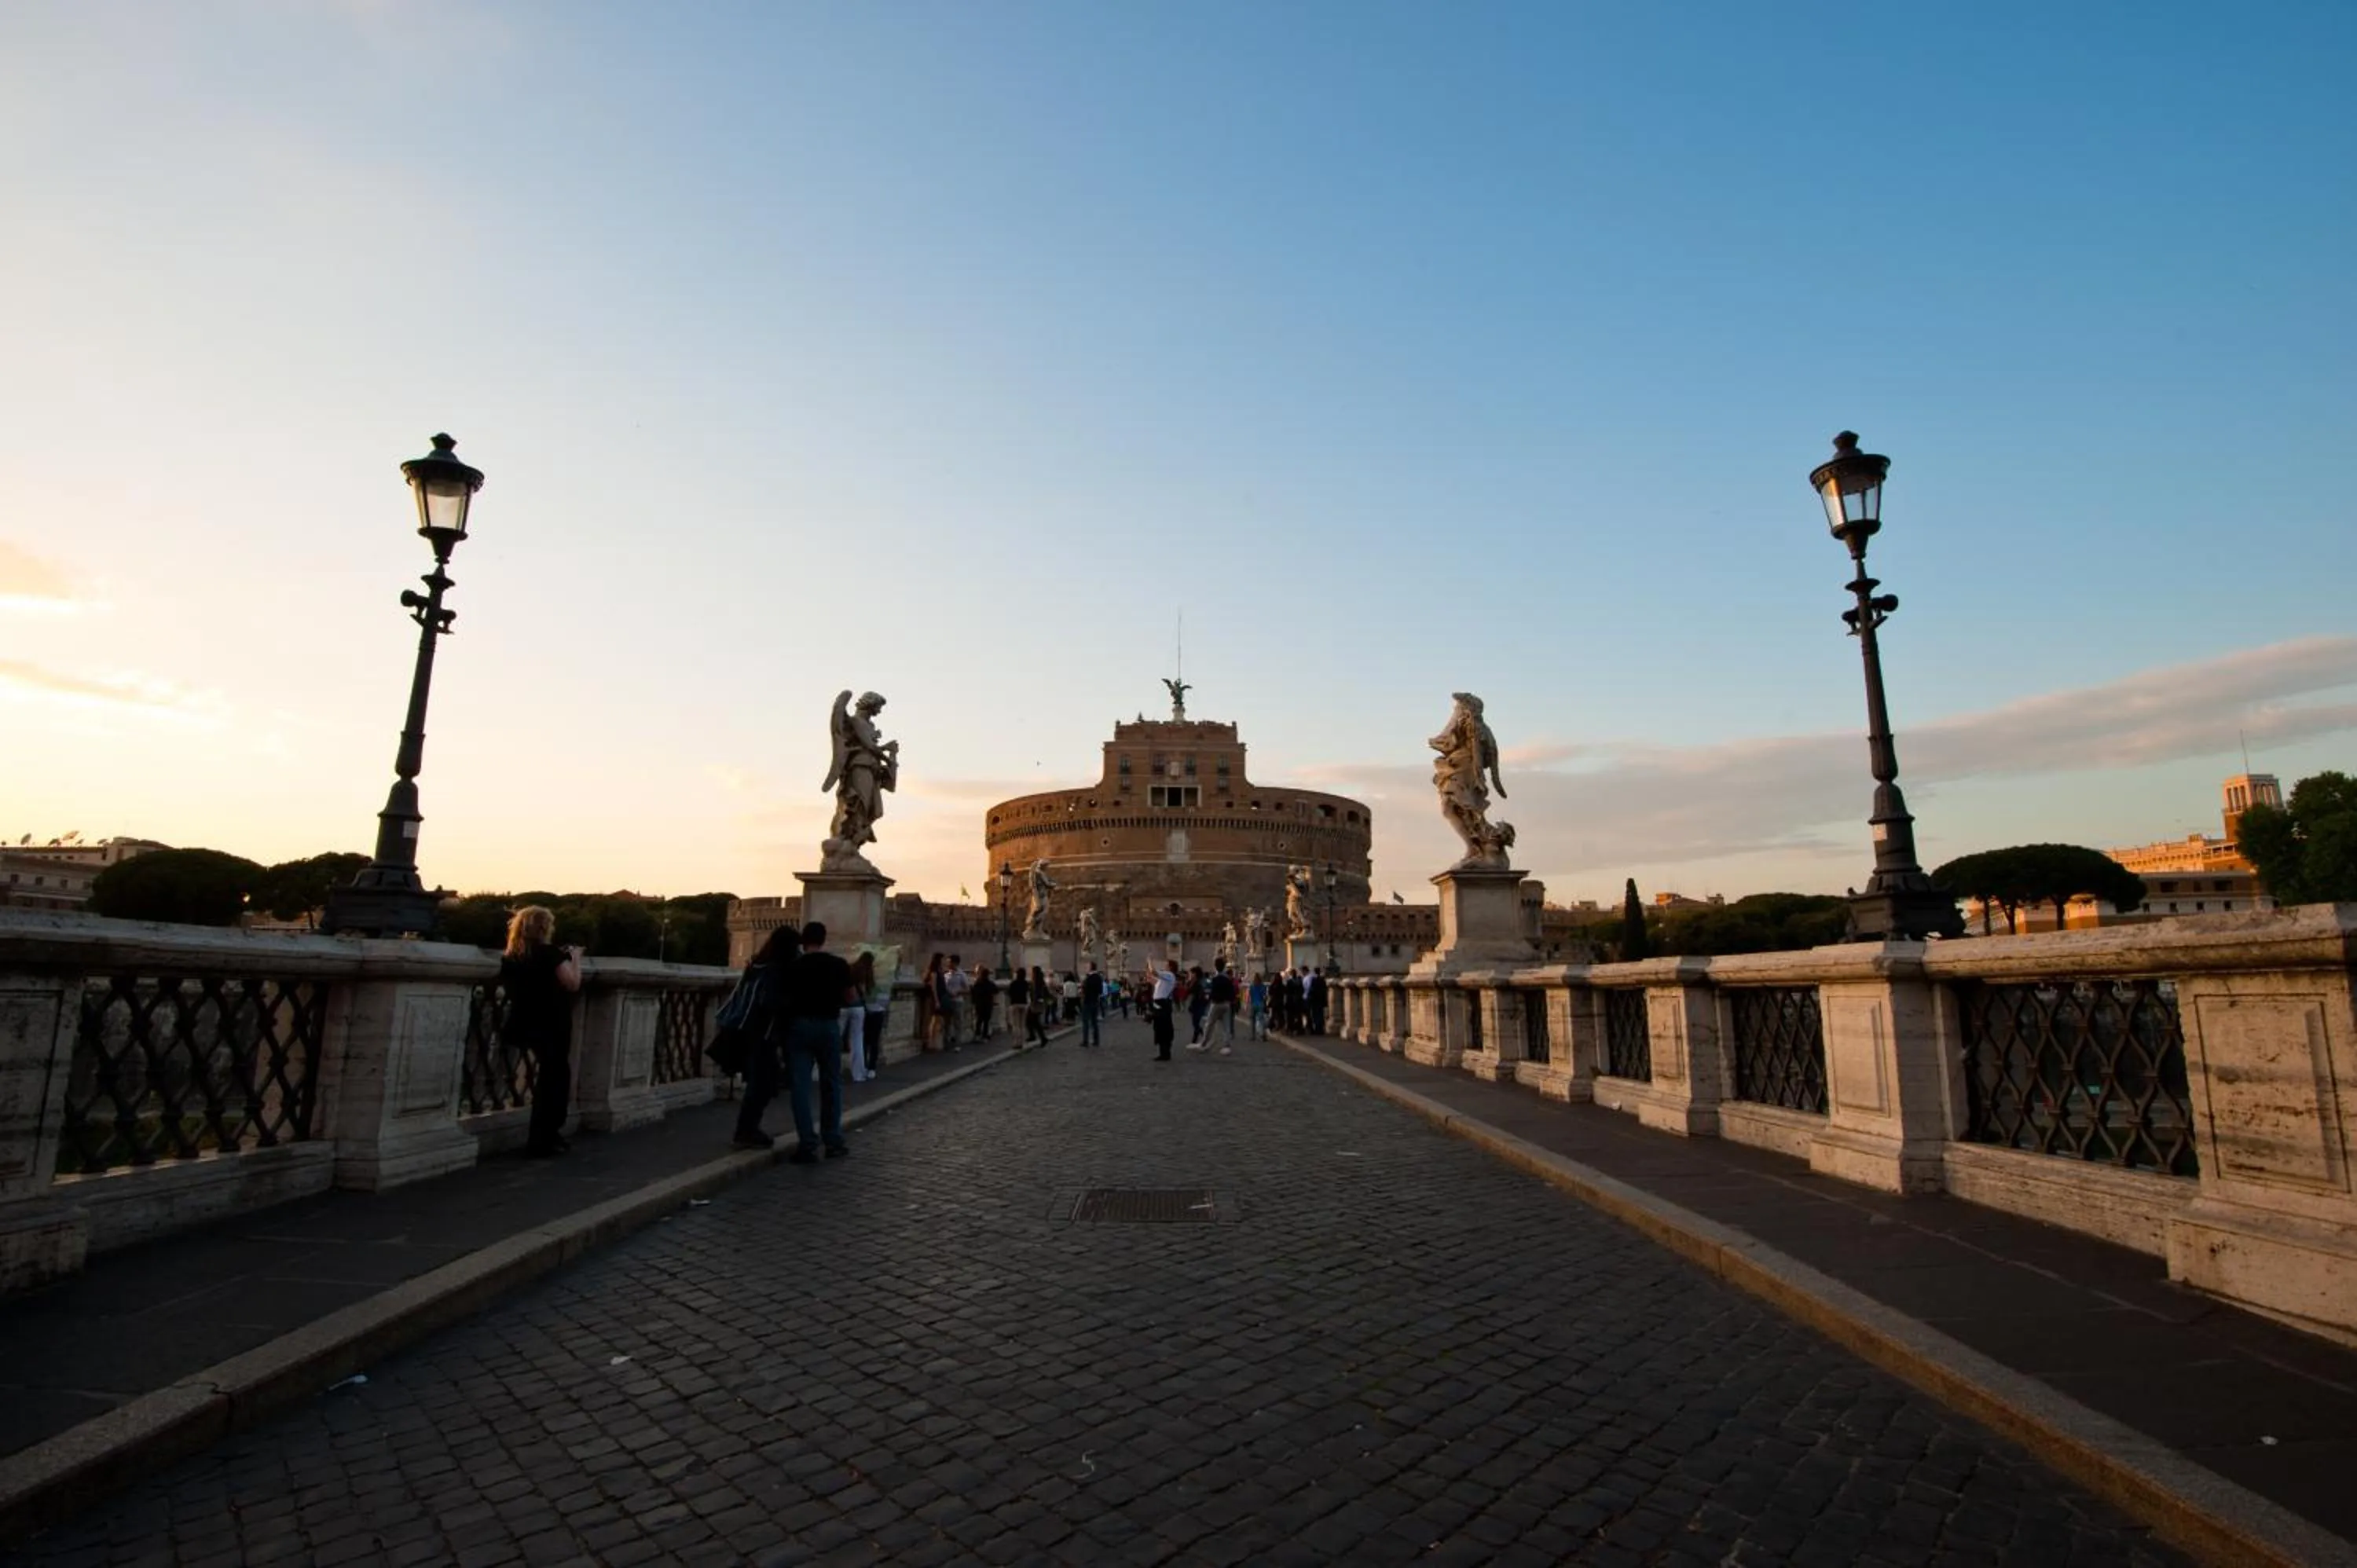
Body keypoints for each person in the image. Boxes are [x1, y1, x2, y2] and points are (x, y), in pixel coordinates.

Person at [500, 906, 582, 1157]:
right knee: (555, 1077)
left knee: (544, 1076)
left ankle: (541, 1135)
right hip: (552, 1021)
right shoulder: (548, 954)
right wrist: (575, 958)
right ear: (545, 928)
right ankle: (546, 1136)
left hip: (524, 1021)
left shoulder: (511, 956)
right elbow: (572, 983)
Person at [779, 921, 853, 1163]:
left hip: (799, 1027)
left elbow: (783, 999)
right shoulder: (838, 965)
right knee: (831, 1084)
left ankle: (807, 1144)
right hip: (829, 1026)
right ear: (824, 939)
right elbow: (851, 997)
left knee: (800, 1088)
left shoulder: (792, 966)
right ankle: (832, 1141)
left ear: (804, 940)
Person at [731, 925, 800, 1149]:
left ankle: (748, 1128)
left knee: (762, 1081)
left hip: (749, 1029)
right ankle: (746, 1130)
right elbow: (771, 1001)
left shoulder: (756, 965)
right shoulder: (776, 969)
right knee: (763, 1083)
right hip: (766, 1032)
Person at [842, 951, 876, 1084]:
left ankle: (822, 1071)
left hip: (843, 1005)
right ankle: (858, 1074)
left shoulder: (851, 968)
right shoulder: (867, 973)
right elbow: (869, 990)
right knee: (857, 1041)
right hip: (858, 1007)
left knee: (835, 1038)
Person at [862, 958, 893, 1078]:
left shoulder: (868, 980)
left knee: (867, 1041)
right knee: (872, 1041)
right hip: (876, 1012)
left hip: (869, 1011)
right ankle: (870, 1067)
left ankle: (867, 1066)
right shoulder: (881, 982)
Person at [1205, 958, 1238, 1054]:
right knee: (1226, 1026)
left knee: (1210, 1024)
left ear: (1215, 966)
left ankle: (1205, 1042)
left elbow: (1213, 992)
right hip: (1226, 1004)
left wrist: (1209, 997)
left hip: (1216, 1003)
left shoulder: (1215, 979)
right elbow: (1232, 993)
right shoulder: (1228, 979)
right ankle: (1226, 1045)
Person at [1149, 960, 1179, 1061]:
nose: (1164, 967)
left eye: (1166, 965)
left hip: (1163, 1005)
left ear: (1170, 967)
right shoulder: (1165, 978)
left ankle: (1166, 1053)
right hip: (1159, 1004)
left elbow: (1154, 972)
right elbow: (1155, 980)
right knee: (1159, 1029)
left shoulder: (1169, 975)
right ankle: (1163, 1052)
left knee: (1163, 1029)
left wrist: (1150, 961)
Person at [942, 955, 972, 1046]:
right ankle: (947, 1041)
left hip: (957, 1001)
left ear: (955, 963)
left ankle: (958, 1043)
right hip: (947, 1001)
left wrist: (958, 992)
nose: (947, 964)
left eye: (949, 962)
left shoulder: (961, 975)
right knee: (947, 1022)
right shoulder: (946, 975)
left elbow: (967, 989)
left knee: (958, 1023)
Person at [916, 952, 943, 1051]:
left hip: (931, 998)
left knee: (934, 1021)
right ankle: (928, 1043)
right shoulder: (934, 972)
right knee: (931, 1021)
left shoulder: (933, 971)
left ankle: (930, 1042)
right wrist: (936, 1001)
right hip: (931, 998)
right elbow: (934, 987)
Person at [1003, 965, 1031, 1049]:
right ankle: (1022, 1042)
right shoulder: (1026, 983)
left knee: (1016, 1025)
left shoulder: (1013, 983)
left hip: (1015, 1004)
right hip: (1024, 1004)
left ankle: (1016, 1042)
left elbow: (1009, 993)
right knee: (1022, 1025)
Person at [1185, 965, 1211, 1048]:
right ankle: (1199, 1040)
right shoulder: (1194, 981)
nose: (1190, 975)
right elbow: (1188, 991)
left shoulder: (1200, 982)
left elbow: (1201, 993)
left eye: (1191, 973)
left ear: (1195, 974)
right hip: (1195, 1005)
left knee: (1196, 1023)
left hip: (1199, 1005)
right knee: (1195, 1023)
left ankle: (1202, 1039)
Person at [1026, 965, 1053, 1047]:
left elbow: (1038, 994)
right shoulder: (1040, 982)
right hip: (1037, 1004)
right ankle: (1039, 1037)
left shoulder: (1037, 982)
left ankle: (1038, 1037)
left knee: (1030, 1021)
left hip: (1036, 1004)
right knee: (1034, 1021)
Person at [971, 965, 999, 1041]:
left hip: (979, 1004)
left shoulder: (977, 984)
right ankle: (985, 1036)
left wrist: (974, 1002)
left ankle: (977, 1035)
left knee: (979, 1021)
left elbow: (973, 993)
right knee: (986, 1021)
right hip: (988, 1004)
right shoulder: (990, 984)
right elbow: (996, 991)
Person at [1080, 963, 1104, 1048]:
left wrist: (1083, 988)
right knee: (1094, 1023)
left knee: (1085, 1022)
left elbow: (1084, 990)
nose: (1085, 968)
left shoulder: (1088, 978)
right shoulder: (1099, 978)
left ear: (1090, 968)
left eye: (1086, 967)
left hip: (1087, 1002)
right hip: (1095, 1001)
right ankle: (1096, 1040)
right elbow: (1101, 991)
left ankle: (1085, 1041)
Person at [1248, 972, 1270, 1040]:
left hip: (1253, 1004)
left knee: (1252, 1021)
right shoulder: (1262, 986)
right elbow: (1264, 996)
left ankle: (1252, 1036)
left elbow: (1250, 996)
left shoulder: (1252, 986)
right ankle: (1262, 1034)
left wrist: (1248, 1004)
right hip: (1260, 1004)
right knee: (1261, 1020)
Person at [1307, 966, 1329, 1035]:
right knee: (1321, 1014)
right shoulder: (1322, 980)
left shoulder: (1314, 980)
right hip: (1321, 1000)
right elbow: (1325, 990)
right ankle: (1321, 1029)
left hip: (1315, 1000)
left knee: (1315, 1015)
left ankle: (1317, 1029)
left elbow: (1311, 990)